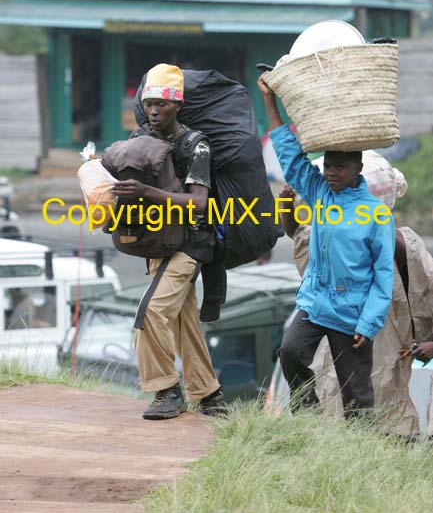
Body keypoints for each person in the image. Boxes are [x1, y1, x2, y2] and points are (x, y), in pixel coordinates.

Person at [257, 75, 395, 417]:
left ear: (357, 169)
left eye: (340, 167)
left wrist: (369, 322)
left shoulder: (375, 213)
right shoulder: (320, 192)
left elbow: (383, 274)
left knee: (356, 394)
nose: (332, 173)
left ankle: (360, 451)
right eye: (328, 166)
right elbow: (290, 157)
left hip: (352, 313)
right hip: (316, 303)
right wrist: (269, 102)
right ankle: (309, 419)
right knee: (290, 352)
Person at [112, 64, 226, 420]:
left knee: (149, 315)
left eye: (162, 103)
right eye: (149, 104)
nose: (154, 111)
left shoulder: (196, 145)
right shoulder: (140, 142)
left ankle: (166, 390)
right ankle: (210, 396)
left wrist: (147, 190)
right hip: (158, 245)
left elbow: (198, 202)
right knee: (182, 321)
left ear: (178, 105)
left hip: (191, 245)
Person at [280, 182, 433, 437]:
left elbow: (421, 285)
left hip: (387, 366)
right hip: (336, 360)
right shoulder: (331, 235)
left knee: (374, 413)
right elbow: (300, 235)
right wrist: (285, 204)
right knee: (341, 412)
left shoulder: (400, 243)